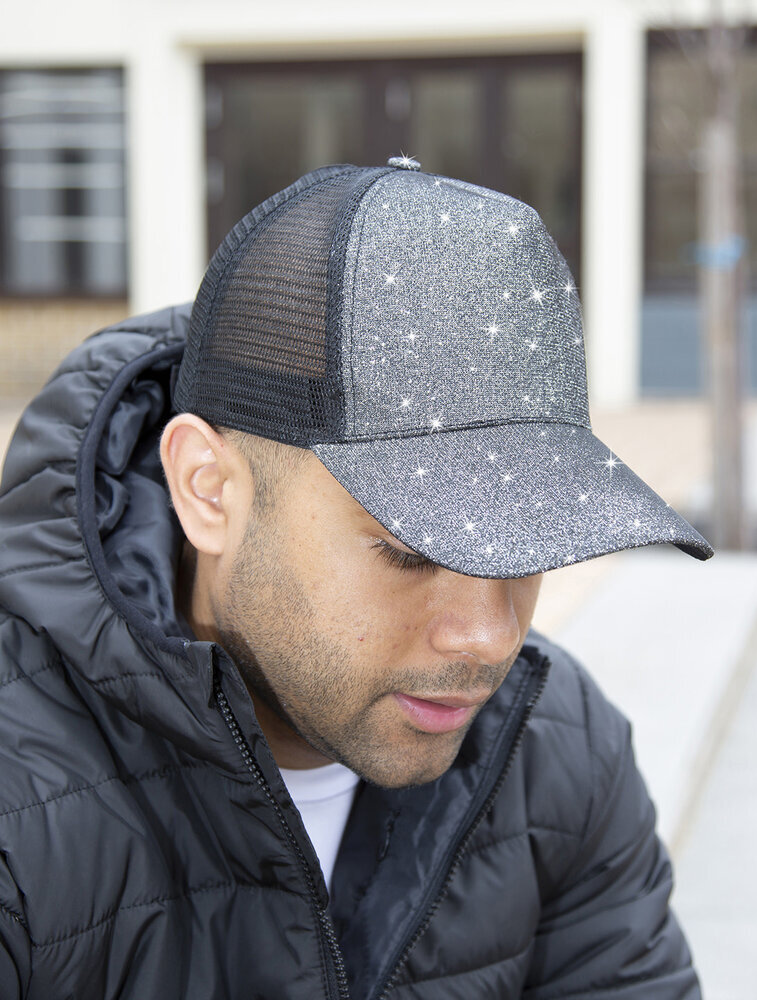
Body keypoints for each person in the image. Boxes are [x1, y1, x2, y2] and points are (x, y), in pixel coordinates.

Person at [0, 157, 712, 999]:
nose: (488, 639)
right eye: (409, 552)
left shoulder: (558, 749)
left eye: (524, 546)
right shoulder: (20, 806)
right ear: (209, 489)